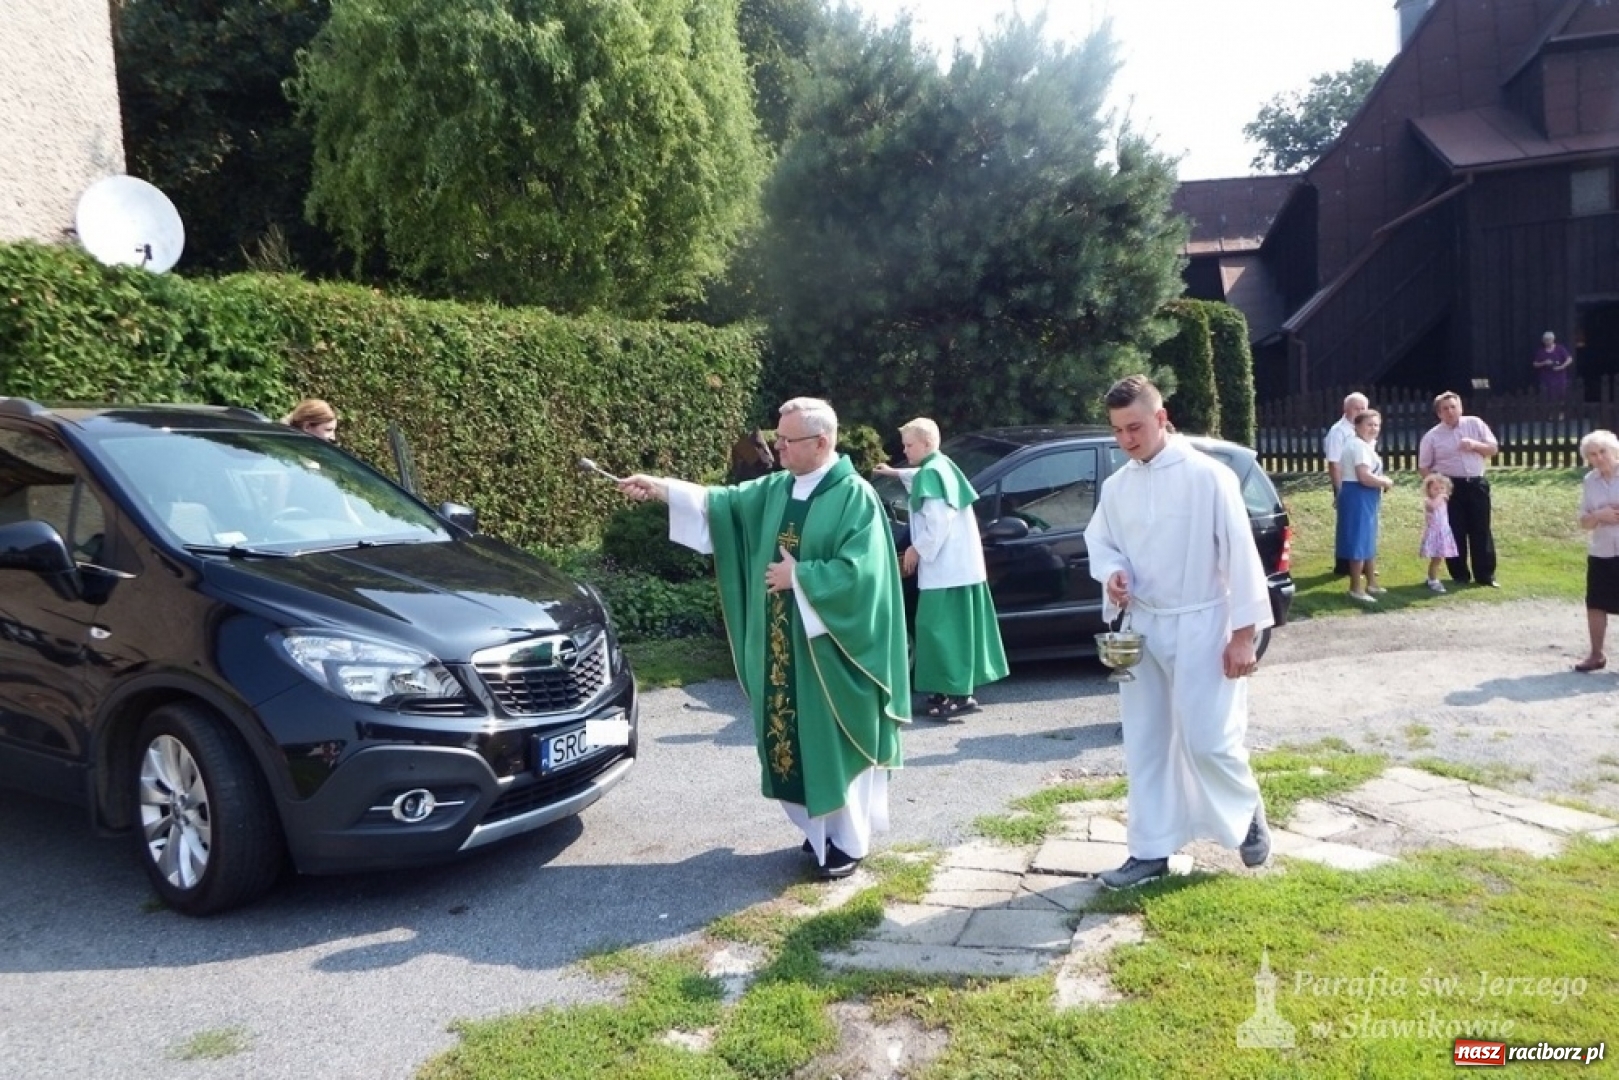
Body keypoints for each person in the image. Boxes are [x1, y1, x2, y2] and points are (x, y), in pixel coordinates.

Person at [616, 397, 909, 879]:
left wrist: (804, 577)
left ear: (822, 441)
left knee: (831, 741)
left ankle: (848, 841)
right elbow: (720, 503)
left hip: (830, 653)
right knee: (791, 738)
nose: (778, 449)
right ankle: (820, 832)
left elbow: (866, 575)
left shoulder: (854, 496)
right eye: (778, 439)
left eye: (787, 441)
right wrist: (660, 488)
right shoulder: (779, 488)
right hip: (783, 651)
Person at [1083, 375, 1273, 890]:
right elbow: (1101, 542)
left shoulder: (1208, 477)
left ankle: (1246, 809)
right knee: (1146, 741)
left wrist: (1243, 634)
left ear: (1162, 418)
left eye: (1136, 427)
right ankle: (1150, 850)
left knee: (1210, 737)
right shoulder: (1116, 487)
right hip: (1143, 625)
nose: (1127, 439)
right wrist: (1113, 575)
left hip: (1204, 622)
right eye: (1119, 430)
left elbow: (1240, 552)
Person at [873, 418, 1009, 719]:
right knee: (942, 630)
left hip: (948, 570)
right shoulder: (938, 466)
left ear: (926, 444)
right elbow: (920, 477)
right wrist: (895, 473)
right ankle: (944, 688)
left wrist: (915, 548)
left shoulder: (933, 472)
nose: (905, 450)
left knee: (939, 630)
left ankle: (960, 696)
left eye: (909, 445)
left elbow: (937, 520)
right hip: (957, 567)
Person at [1418, 391, 1500, 587]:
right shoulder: (1432, 436)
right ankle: (1459, 575)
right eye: (1445, 409)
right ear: (1439, 413)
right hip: (1451, 486)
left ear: (1461, 408)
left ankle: (1485, 575)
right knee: (1455, 530)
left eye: (1453, 407)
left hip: (1476, 482)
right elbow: (1424, 466)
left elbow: (1493, 449)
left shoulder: (1475, 423)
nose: (1450, 411)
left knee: (1481, 529)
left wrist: (1474, 445)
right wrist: (1436, 488)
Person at [1574, 429, 1619, 673]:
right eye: (1593, 454)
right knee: (1596, 603)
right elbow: (1584, 522)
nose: (1599, 458)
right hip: (1601, 550)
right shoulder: (1589, 481)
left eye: (1602, 451)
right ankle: (1595, 654)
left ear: (1613, 450)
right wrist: (1599, 515)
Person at [1339, 409, 1395, 603]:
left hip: (1366, 496)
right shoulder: (1358, 446)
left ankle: (1371, 583)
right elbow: (1364, 477)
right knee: (1359, 541)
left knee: (1367, 540)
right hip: (1358, 495)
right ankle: (1356, 588)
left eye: (1376, 425)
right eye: (1369, 424)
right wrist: (1385, 482)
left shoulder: (1365, 445)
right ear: (1357, 426)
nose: (1373, 429)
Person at [1324, 393, 1369, 578]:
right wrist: (1339, 490)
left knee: (1364, 524)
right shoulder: (1338, 431)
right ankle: (1344, 565)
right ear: (1346, 409)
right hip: (1346, 484)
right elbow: (1334, 463)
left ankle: (1362, 562)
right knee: (1348, 525)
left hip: (1364, 481)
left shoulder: (1364, 428)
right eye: (1356, 408)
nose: (1360, 411)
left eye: (1363, 408)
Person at [1419, 473, 1458, 593]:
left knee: (1439, 558)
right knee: (1436, 558)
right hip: (1434, 534)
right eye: (1435, 489)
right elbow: (1432, 507)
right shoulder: (1429, 501)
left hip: (1443, 532)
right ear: (1428, 490)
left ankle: (1432, 577)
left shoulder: (1443, 502)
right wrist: (1440, 497)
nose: (1439, 491)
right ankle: (1433, 580)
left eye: (1442, 488)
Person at [1532, 331, 1575, 399]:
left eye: (1549, 340)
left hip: (1559, 377)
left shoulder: (1560, 349)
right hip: (1546, 378)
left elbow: (1569, 359)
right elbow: (1535, 364)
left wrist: (1561, 367)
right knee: (1547, 396)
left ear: (1553, 339)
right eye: (1545, 340)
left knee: (1560, 395)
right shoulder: (1541, 351)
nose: (1547, 342)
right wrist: (1544, 363)